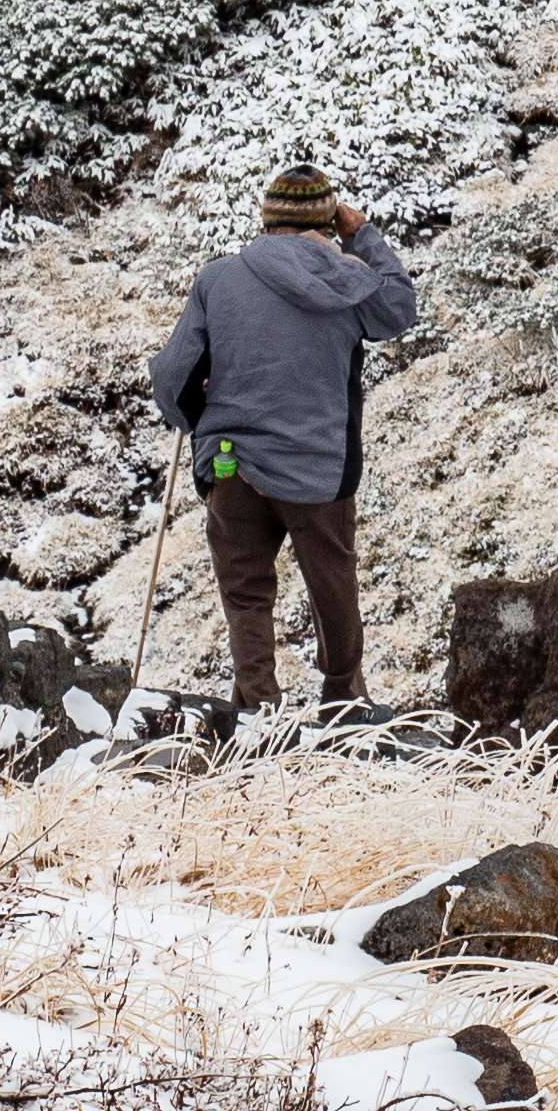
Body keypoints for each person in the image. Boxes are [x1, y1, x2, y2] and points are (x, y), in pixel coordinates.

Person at [145, 163, 417, 709]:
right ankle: (343, 698)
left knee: (246, 595)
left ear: (267, 220)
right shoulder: (351, 283)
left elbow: (170, 380)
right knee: (333, 585)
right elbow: (400, 308)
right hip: (318, 467)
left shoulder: (217, 279)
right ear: (325, 220)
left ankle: (257, 707)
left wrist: (197, 416)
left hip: (231, 462)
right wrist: (360, 233)